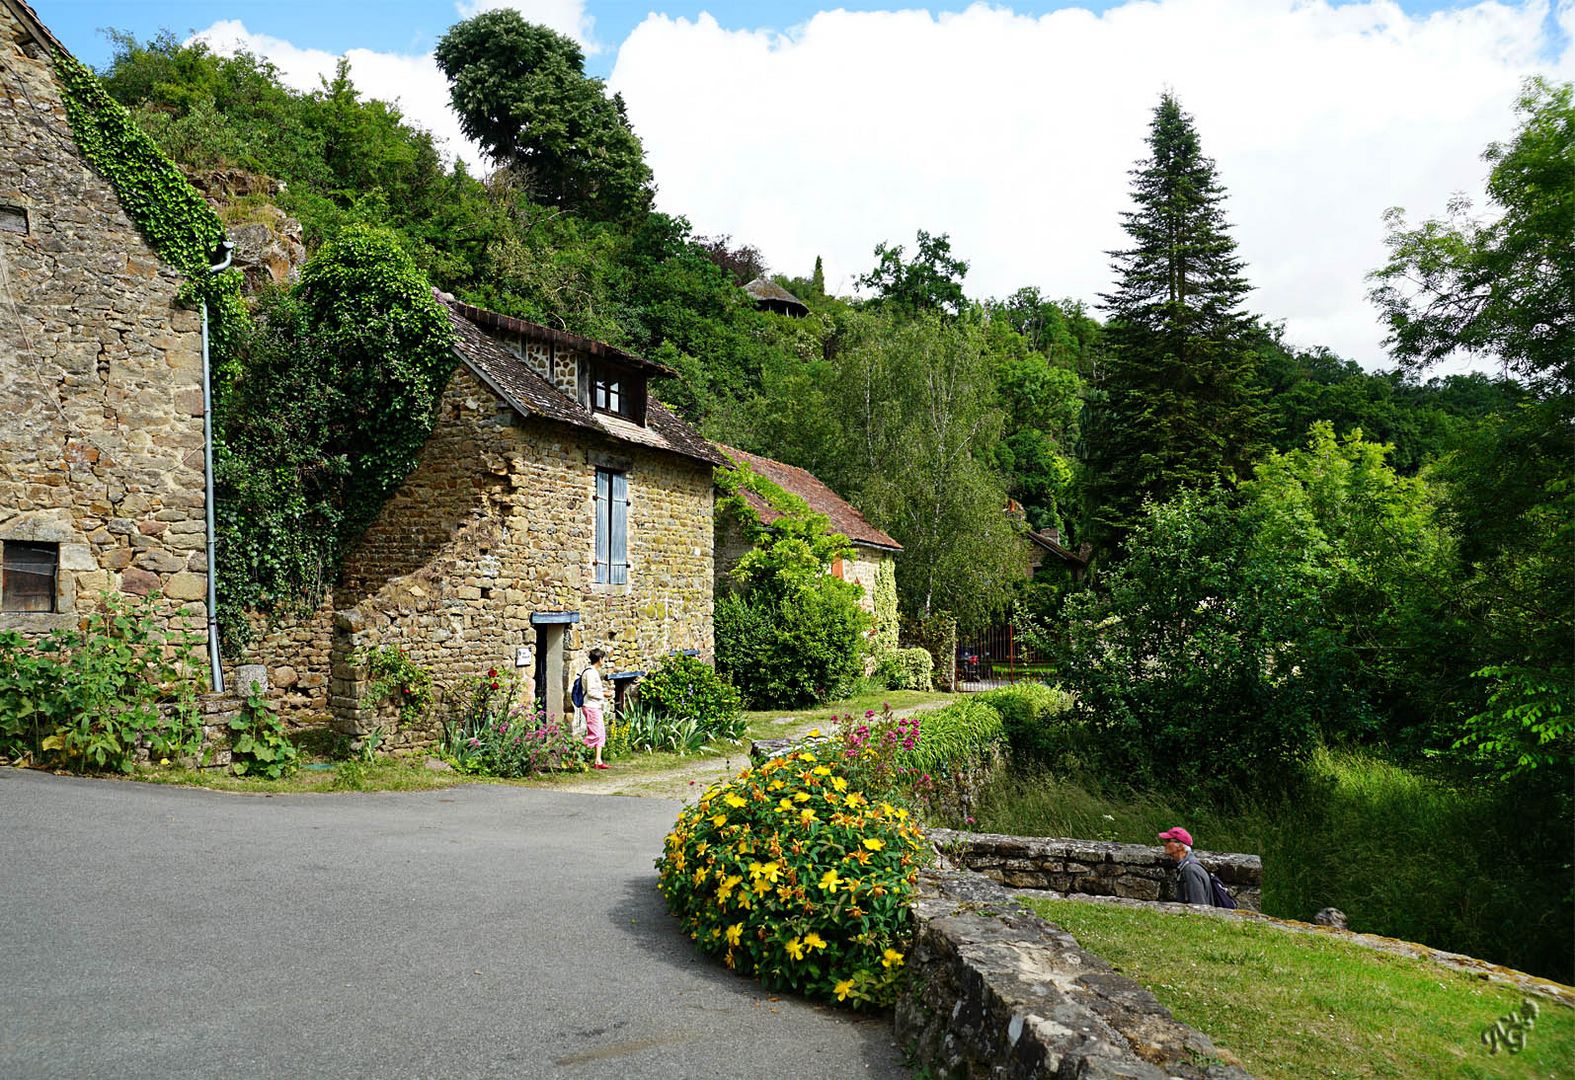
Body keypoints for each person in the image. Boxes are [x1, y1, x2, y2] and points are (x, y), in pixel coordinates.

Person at [1158, 826, 1211, 905]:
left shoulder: (1191, 870)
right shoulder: (1187, 866)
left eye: (1168, 840)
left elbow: (1199, 906)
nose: (1164, 844)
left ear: (1180, 846)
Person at [581, 649, 609, 770]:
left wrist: (603, 693)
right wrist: (604, 694)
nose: (604, 661)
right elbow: (591, 692)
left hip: (595, 706)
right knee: (595, 734)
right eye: (603, 658)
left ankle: (598, 760)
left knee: (601, 734)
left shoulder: (594, 672)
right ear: (599, 659)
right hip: (591, 706)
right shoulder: (591, 673)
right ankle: (573, 752)